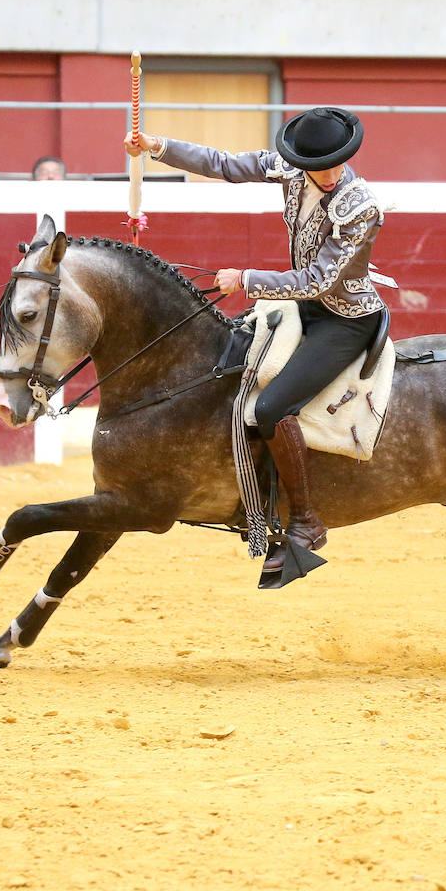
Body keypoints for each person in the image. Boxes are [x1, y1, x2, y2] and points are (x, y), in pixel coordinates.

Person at [124, 107, 387, 580]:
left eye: (336, 163)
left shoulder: (360, 205)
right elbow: (224, 165)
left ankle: (305, 523)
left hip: (345, 320)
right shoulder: (292, 169)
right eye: (318, 165)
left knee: (271, 410)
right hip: (305, 309)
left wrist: (246, 278)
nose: (328, 174)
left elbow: (319, 279)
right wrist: (157, 147)